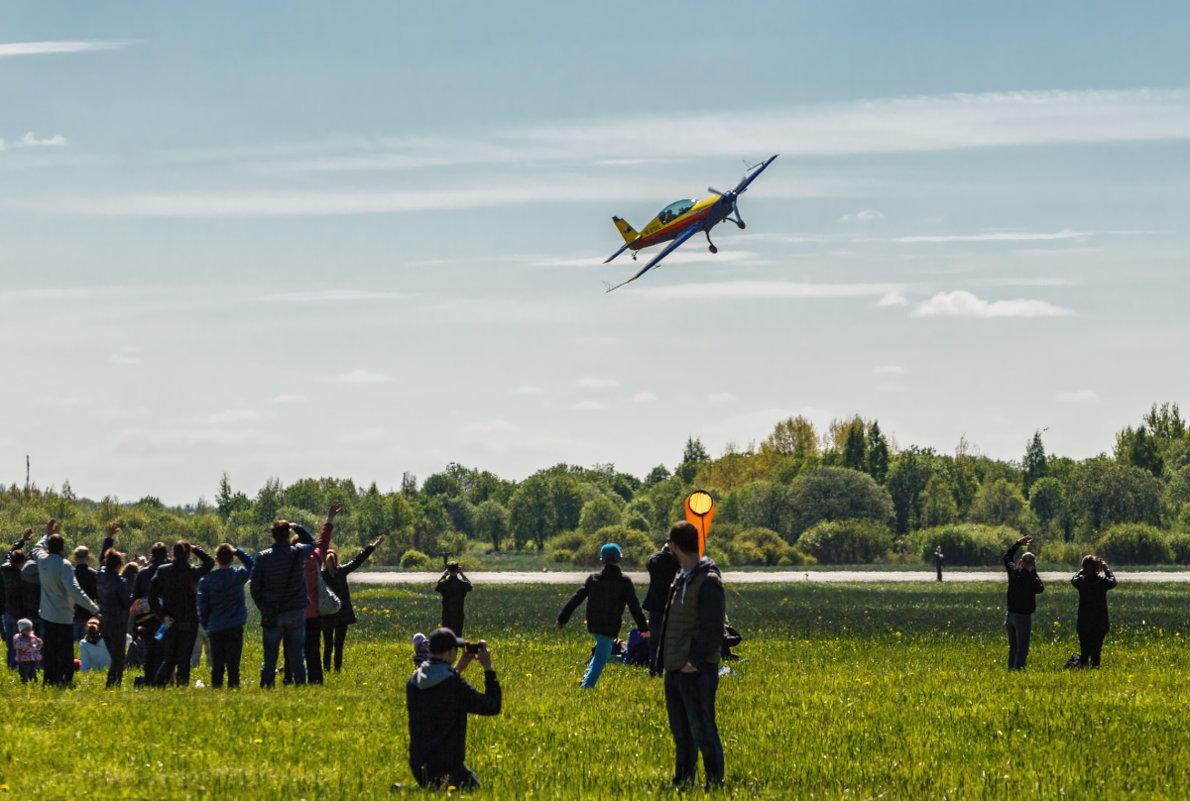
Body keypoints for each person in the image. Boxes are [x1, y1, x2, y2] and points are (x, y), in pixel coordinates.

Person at [656, 521, 725, 790]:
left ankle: (714, 784)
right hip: (674, 668)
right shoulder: (681, 577)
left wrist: (692, 662)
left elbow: (713, 630)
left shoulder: (707, 580)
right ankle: (683, 782)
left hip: (695, 670)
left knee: (704, 730)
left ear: (673, 546)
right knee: (682, 734)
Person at [250, 502, 339, 688]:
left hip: (274, 610)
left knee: (276, 654)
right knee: (308, 652)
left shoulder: (265, 557)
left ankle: (277, 682)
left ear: (273, 536)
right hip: (306, 612)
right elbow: (319, 542)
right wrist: (301, 526)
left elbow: (255, 588)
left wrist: (263, 607)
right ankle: (310, 683)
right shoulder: (307, 557)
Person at [405, 627, 501, 790]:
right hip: (447, 766)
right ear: (450, 652)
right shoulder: (454, 686)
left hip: (418, 764)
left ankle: (415, 790)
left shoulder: (414, 682)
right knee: (475, 792)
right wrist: (488, 667)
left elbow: (438, 691)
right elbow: (492, 706)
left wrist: (456, 668)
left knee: (434, 789)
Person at [555, 542, 648, 689]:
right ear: (620, 559)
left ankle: (585, 679)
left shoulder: (593, 579)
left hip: (594, 624)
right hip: (609, 626)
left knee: (602, 651)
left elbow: (576, 599)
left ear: (602, 560)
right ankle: (586, 687)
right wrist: (643, 627)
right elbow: (634, 607)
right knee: (601, 657)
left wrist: (562, 618)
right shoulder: (624, 582)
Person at [31, 519, 99, 686]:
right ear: (62, 548)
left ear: (49, 547)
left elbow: (36, 548)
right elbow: (74, 591)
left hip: (47, 613)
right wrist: (93, 608)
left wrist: (47, 534)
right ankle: (65, 679)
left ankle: (49, 679)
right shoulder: (65, 565)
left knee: (50, 650)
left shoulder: (42, 560)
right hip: (63, 616)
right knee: (65, 651)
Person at [148, 540, 215, 686]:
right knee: (184, 659)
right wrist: (196, 549)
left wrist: (161, 615)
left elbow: (152, 597)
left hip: (169, 620)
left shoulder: (163, 571)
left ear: (172, 554)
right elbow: (210, 562)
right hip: (189, 621)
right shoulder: (192, 571)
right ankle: (182, 686)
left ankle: (158, 685)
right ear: (188, 554)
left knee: (169, 658)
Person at [321, 534, 384, 672]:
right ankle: (337, 669)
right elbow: (358, 560)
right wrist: (373, 545)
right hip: (343, 613)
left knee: (327, 644)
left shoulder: (321, 576)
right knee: (339, 644)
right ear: (336, 559)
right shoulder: (342, 571)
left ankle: (326, 669)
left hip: (326, 614)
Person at [197, 543, 254, 688]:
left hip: (215, 625)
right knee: (233, 664)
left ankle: (216, 687)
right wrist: (239, 551)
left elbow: (202, 606)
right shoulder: (238, 575)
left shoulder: (207, 580)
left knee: (217, 663)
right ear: (232, 559)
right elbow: (252, 565)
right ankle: (233, 687)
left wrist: (206, 623)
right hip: (234, 624)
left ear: (216, 560)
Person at [301, 502, 340, 685]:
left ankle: (293, 679)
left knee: (292, 650)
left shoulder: (288, 563)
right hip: (313, 613)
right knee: (313, 650)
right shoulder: (314, 560)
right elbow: (322, 542)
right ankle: (315, 681)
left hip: (293, 613)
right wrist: (329, 519)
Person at [95, 524, 134, 687]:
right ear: (119, 565)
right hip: (117, 622)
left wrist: (109, 539)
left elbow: (101, 560)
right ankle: (112, 684)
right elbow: (126, 602)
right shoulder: (120, 581)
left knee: (114, 655)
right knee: (119, 658)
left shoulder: (100, 575)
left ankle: (113, 683)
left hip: (103, 620)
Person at [1003, 534, 1044, 670]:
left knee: (1013, 648)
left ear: (1020, 562)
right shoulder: (1032, 580)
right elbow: (1041, 588)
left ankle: (1011, 671)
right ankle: (1018, 672)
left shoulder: (1014, 572)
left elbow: (1007, 556)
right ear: (1033, 564)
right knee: (1022, 649)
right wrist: (1034, 571)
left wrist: (1018, 543)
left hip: (1010, 615)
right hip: (1023, 618)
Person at [132, 541, 170, 685]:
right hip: (164, 621)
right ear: (166, 555)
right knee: (163, 650)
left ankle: (149, 679)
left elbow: (135, 598)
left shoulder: (143, 573)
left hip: (146, 622)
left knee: (150, 650)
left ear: (152, 555)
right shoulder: (169, 571)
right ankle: (160, 680)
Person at [1071, 554, 1117, 668]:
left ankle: (1084, 667)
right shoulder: (1102, 582)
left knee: (1085, 650)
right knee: (1096, 651)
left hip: (1084, 622)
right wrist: (1106, 569)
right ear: (1097, 568)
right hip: (1100, 623)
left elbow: (1073, 579)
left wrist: (1082, 570)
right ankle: (1094, 668)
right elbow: (1113, 581)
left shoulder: (1081, 582)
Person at [644, 540, 679, 677]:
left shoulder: (655, 563)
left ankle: (654, 669)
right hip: (673, 607)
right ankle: (669, 670)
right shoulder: (678, 564)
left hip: (656, 607)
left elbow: (649, 561)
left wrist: (662, 551)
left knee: (654, 642)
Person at [2, 529, 34, 669]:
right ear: (22, 562)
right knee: (18, 644)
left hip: (5, 611)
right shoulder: (22, 577)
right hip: (18, 614)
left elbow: (9, 554)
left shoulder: (4, 569)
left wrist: (22, 541)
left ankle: (10, 667)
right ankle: (17, 667)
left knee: (10, 644)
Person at [435, 561, 472, 636]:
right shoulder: (462, 584)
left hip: (446, 615)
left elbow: (437, 587)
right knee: (457, 637)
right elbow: (470, 586)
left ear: (448, 570)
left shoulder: (444, 584)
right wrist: (462, 575)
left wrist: (444, 576)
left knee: (446, 638)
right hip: (458, 615)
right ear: (458, 570)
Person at [72, 544, 99, 642]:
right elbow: (97, 594)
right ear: (88, 558)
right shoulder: (93, 574)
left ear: (75, 558)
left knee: (72, 643)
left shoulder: (71, 574)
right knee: (86, 642)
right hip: (88, 613)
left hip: (73, 613)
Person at [13, 618, 42, 683]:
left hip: (32, 659)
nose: (29, 631)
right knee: (24, 673)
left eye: (30, 629)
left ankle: (34, 683)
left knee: (33, 672)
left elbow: (39, 645)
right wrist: (27, 644)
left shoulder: (33, 637)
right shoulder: (18, 637)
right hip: (23, 659)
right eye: (26, 629)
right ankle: (24, 683)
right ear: (21, 630)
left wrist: (38, 641)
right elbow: (17, 645)